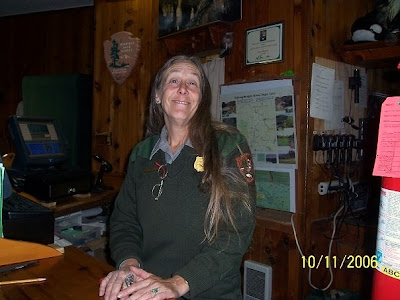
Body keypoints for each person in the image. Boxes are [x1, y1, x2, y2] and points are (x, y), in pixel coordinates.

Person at [99, 55, 256, 300]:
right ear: (158, 95)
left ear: (201, 99)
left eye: (193, 83)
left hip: (209, 294)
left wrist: (179, 283)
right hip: (146, 291)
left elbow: (234, 233)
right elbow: (124, 221)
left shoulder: (228, 145)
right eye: (174, 80)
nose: (183, 89)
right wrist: (128, 265)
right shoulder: (141, 154)